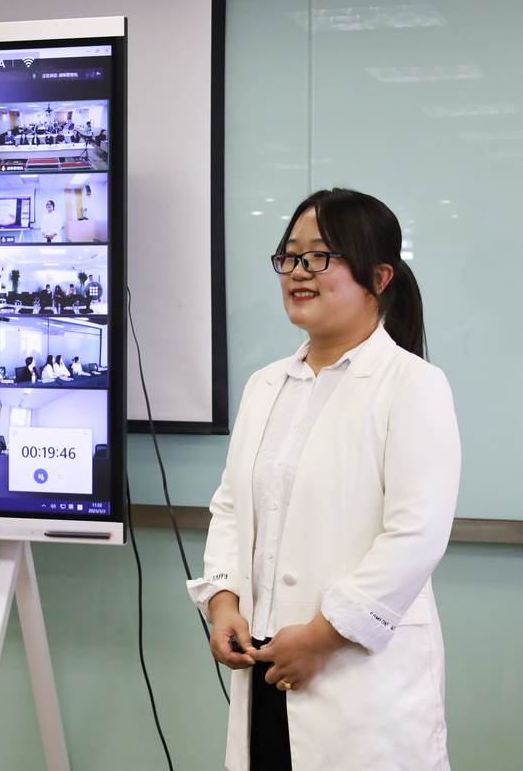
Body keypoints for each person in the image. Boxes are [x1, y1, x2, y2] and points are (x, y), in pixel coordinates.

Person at [188, 189, 460, 771]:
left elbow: (416, 535)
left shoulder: (412, 384)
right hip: (263, 661)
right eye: (290, 255)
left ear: (379, 277)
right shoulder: (265, 385)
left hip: (355, 671)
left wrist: (321, 637)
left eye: (320, 256)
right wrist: (223, 602)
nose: (298, 271)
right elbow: (232, 507)